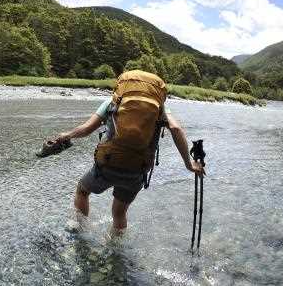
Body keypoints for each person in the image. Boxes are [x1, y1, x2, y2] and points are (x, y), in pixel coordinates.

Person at [54, 71, 205, 235]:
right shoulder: (160, 109)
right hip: (137, 169)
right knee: (119, 213)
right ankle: (115, 250)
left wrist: (66, 135)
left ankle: (79, 229)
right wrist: (188, 164)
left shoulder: (112, 102)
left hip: (108, 164)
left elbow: (86, 129)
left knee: (82, 190)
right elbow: (176, 128)